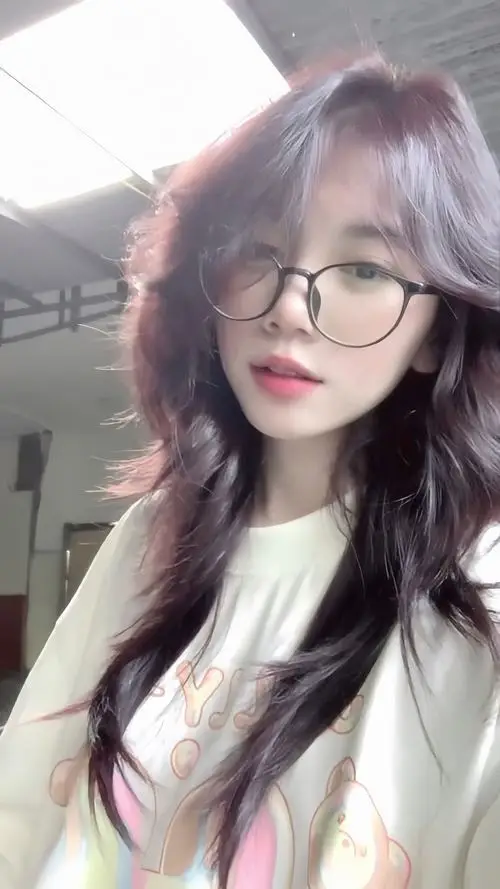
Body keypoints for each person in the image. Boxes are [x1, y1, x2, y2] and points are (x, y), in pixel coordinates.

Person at [1, 51, 500, 889]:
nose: (288, 308)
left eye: (364, 268)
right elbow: (17, 822)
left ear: (438, 331)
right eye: (258, 250)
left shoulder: (479, 585)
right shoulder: (151, 539)